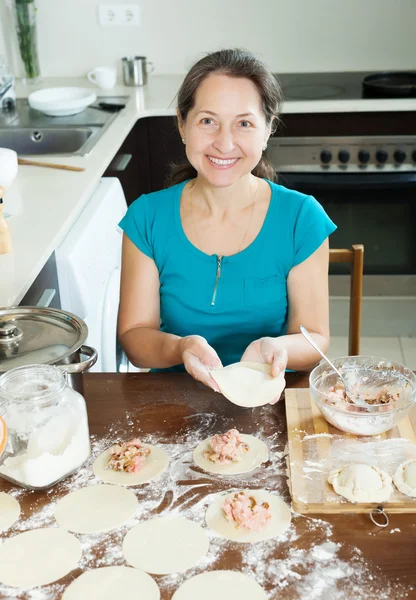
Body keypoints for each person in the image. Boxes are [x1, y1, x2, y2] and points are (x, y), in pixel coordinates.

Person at [118, 48, 336, 400]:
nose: (224, 142)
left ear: (267, 131)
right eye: (208, 121)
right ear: (182, 125)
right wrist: (180, 349)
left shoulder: (301, 218)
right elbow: (134, 335)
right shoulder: (147, 218)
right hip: (175, 402)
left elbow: (315, 338)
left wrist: (277, 347)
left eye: (244, 123)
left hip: (271, 400)